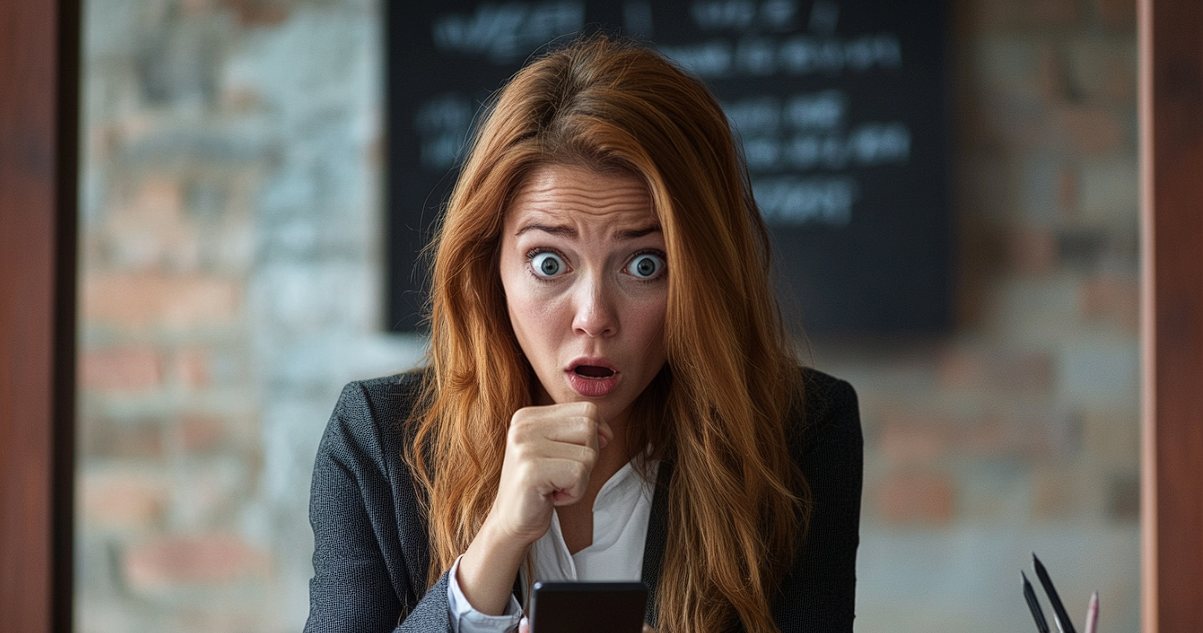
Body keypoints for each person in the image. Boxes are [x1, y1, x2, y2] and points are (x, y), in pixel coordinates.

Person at [305, 35, 862, 633]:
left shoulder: (800, 430)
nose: (594, 316)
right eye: (549, 262)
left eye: (645, 264)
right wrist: (494, 549)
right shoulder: (377, 441)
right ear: (489, 265)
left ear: (705, 274)